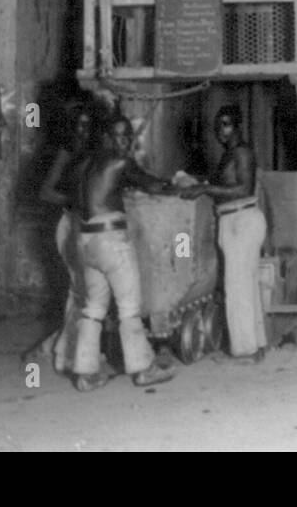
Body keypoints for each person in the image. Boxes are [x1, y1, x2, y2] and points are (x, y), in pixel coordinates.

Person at [71, 114, 186, 391]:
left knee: (93, 308)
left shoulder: (83, 165)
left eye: (129, 136)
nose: (127, 142)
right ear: (106, 137)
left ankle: (85, 372)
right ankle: (144, 368)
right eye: (121, 136)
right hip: (111, 241)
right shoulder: (121, 162)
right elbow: (153, 185)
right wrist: (181, 185)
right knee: (129, 307)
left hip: (85, 242)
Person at [188, 105, 266, 363]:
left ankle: (245, 350)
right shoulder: (230, 153)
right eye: (218, 125)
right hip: (236, 220)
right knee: (246, 285)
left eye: (227, 124)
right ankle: (256, 345)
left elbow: (243, 188)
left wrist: (205, 189)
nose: (221, 131)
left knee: (237, 287)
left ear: (238, 125)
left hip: (241, 219)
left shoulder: (242, 152)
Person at [23, 100, 94, 373]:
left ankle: (65, 348)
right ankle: (61, 351)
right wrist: (76, 200)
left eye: (88, 125)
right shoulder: (65, 153)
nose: (84, 131)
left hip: (87, 225)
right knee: (80, 292)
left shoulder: (91, 152)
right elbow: (45, 192)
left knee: (85, 292)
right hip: (69, 224)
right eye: (80, 125)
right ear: (71, 128)